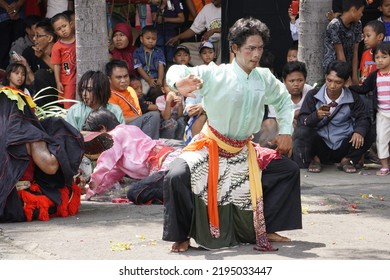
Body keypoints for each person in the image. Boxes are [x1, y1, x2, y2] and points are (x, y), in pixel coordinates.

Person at [163, 17, 302, 252]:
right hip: (211, 145)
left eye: (260, 48)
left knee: (288, 170)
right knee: (175, 175)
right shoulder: (215, 74)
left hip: (242, 150)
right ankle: (181, 235)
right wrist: (179, 82)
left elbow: (284, 102)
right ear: (235, 48)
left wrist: (286, 131)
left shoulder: (265, 78)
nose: (256, 54)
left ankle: (267, 227)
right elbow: (177, 69)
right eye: (250, 48)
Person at [0, 62, 84, 223]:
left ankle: (72, 148)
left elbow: (31, 118)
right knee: (50, 153)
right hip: (17, 138)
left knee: (54, 125)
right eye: (16, 73)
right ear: (8, 75)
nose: (20, 76)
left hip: (26, 135)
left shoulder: (24, 95)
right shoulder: (5, 95)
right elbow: (14, 120)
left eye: (23, 74)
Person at [82, 108, 184, 201]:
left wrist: (90, 192)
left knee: (134, 192)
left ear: (102, 129)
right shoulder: (129, 128)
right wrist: (91, 190)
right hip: (172, 159)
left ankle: (174, 192)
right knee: (135, 191)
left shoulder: (111, 137)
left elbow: (102, 167)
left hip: (165, 166)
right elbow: (112, 174)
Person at [293, 60, 373, 174]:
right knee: (302, 131)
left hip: (344, 143)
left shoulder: (353, 98)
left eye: (338, 82)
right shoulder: (313, 95)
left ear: (345, 82)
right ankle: (315, 159)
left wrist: (359, 131)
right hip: (320, 145)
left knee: (369, 131)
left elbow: (363, 118)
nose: (332, 86)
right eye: (329, 80)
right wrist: (315, 116)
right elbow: (302, 120)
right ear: (325, 77)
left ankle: (347, 160)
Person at [350, 42, 390, 175]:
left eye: (384, 57)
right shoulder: (374, 76)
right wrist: (350, 87)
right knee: (381, 139)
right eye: (377, 57)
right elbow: (364, 89)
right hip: (382, 114)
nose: (380, 60)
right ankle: (384, 165)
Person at [259, 61, 313, 147]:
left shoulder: (310, 91)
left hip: (302, 129)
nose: (296, 84)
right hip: (279, 128)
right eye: (292, 81)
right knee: (269, 123)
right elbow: (276, 119)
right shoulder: (277, 92)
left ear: (305, 80)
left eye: (300, 80)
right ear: (284, 81)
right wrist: (296, 114)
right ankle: (262, 151)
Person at [106, 59, 161, 139]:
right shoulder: (109, 95)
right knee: (153, 116)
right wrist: (143, 117)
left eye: (126, 76)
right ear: (109, 79)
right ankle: (147, 148)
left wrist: (142, 118)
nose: (123, 80)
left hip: (136, 125)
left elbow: (138, 112)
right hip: (121, 129)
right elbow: (117, 121)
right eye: (119, 77)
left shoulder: (130, 89)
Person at [166, 0, 221, 66]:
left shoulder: (229, 8)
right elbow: (194, 29)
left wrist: (214, 30)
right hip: (210, 44)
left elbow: (233, 30)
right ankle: (205, 67)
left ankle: (218, 67)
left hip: (223, 43)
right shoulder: (207, 8)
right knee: (183, 47)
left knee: (225, 41)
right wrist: (178, 37)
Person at [323, 0, 365, 85]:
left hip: (348, 66)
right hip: (334, 67)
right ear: (353, 10)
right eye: (361, 11)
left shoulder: (358, 24)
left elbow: (355, 51)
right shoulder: (334, 25)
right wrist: (347, 78)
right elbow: (340, 54)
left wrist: (354, 76)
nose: (362, 14)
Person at [19, 18, 58, 107]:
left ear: (49, 38)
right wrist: (27, 68)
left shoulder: (61, 51)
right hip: (38, 98)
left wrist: (43, 56)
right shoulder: (30, 52)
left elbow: (63, 77)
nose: (34, 39)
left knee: (41, 73)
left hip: (58, 100)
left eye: (38, 36)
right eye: (34, 35)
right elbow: (34, 83)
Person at [50, 12, 77, 109]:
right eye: (59, 29)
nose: (63, 30)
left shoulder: (80, 39)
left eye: (64, 26)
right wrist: (58, 82)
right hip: (67, 80)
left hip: (81, 75)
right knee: (69, 104)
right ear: (55, 33)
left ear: (71, 24)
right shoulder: (57, 47)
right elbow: (56, 65)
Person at [133, 25, 166, 101]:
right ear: (141, 39)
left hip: (156, 78)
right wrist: (148, 80)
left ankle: (155, 105)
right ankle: (144, 105)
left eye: (153, 39)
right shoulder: (137, 52)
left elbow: (161, 66)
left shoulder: (159, 52)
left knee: (158, 91)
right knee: (141, 94)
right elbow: (139, 68)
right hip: (143, 79)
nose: (151, 41)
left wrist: (160, 79)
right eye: (148, 38)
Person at [359, 20, 385, 84]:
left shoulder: (386, 54)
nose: (365, 40)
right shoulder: (365, 54)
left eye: (368, 36)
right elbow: (362, 74)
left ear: (380, 37)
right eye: (364, 36)